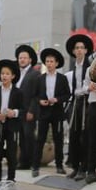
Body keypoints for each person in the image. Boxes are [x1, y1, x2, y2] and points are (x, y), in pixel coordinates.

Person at [34, 47, 72, 176]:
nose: (49, 64)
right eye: (47, 61)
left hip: (57, 112)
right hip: (44, 112)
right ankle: (36, 166)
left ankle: (59, 165)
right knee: (40, 139)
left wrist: (57, 99)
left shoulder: (62, 78)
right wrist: (40, 101)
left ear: (56, 64)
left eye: (51, 61)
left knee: (58, 139)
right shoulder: (40, 78)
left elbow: (68, 95)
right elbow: (36, 95)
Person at [0, 59, 24, 188]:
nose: (4, 76)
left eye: (7, 73)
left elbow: (23, 110)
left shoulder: (18, 92)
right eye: (2, 73)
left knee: (11, 155)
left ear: (13, 76)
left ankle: (10, 180)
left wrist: (14, 112)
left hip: (12, 126)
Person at [65, 34, 93, 181]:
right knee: (74, 135)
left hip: (87, 102)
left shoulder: (90, 67)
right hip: (75, 103)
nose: (80, 50)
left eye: (82, 48)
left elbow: (89, 86)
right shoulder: (73, 67)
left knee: (85, 136)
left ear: (86, 50)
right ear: (74, 51)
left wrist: (82, 90)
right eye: (77, 48)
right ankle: (75, 167)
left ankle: (84, 168)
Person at [13, 45, 42, 175]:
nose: (22, 60)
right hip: (16, 111)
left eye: (25, 58)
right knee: (20, 137)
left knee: (29, 136)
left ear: (30, 60)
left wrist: (32, 111)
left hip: (28, 110)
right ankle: (22, 161)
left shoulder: (35, 74)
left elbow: (37, 95)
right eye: (20, 58)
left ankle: (31, 161)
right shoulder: (16, 73)